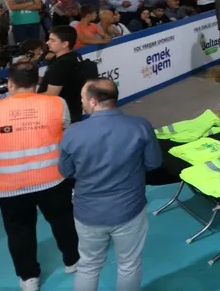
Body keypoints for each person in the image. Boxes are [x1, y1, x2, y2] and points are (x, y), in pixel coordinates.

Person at [0, 62, 79, 291]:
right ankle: (73, 261)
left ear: (10, 83)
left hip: (8, 186)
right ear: (37, 81)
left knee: (19, 231)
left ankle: (29, 278)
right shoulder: (56, 103)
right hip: (52, 179)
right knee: (63, 221)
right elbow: (64, 132)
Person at [60, 79, 159, 291]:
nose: (82, 103)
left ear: (93, 101)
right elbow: (153, 163)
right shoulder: (140, 126)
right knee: (129, 265)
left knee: (88, 266)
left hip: (88, 213)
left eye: (83, 99)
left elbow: (65, 171)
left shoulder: (72, 133)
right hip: (129, 209)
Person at [41, 25, 91, 120]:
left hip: (62, 116)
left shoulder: (60, 65)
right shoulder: (75, 56)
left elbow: (51, 95)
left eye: (52, 40)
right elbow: (60, 80)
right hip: (74, 110)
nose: (47, 42)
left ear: (64, 44)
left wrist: (27, 96)